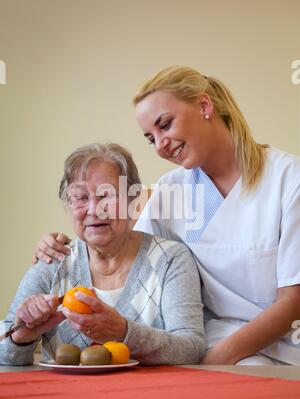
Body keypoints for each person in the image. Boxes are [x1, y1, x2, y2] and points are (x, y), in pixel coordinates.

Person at [31, 66, 300, 365]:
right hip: (204, 344)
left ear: (204, 106)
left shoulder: (288, 180)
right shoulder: (172, 189)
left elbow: (293, 301)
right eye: (150, 138)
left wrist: (214, 361)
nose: (160, 145)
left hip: (278, 347)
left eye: (165, 125)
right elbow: (126, 248)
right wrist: (63, 245)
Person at [0, 143, 206, 366]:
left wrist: (124, 332)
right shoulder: (53, 260)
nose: (94, 209)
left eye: (106, 195)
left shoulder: (170, 259)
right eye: (80, 197)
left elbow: (191, 349)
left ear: (132, 200)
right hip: (64, 398)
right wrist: (22, 338)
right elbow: (5, 355)